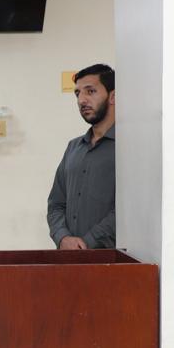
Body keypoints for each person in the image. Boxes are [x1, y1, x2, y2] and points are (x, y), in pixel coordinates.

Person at [48, 64, 116, 250]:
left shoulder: (127, 149)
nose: (81, 100)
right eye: (77, 94)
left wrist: (88, 242)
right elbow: (55, 204)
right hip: (70, 259)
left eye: (90, 91)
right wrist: (63, 237)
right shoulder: (73, 148)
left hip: (112, 260)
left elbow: (129, 209)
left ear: (113, 96)